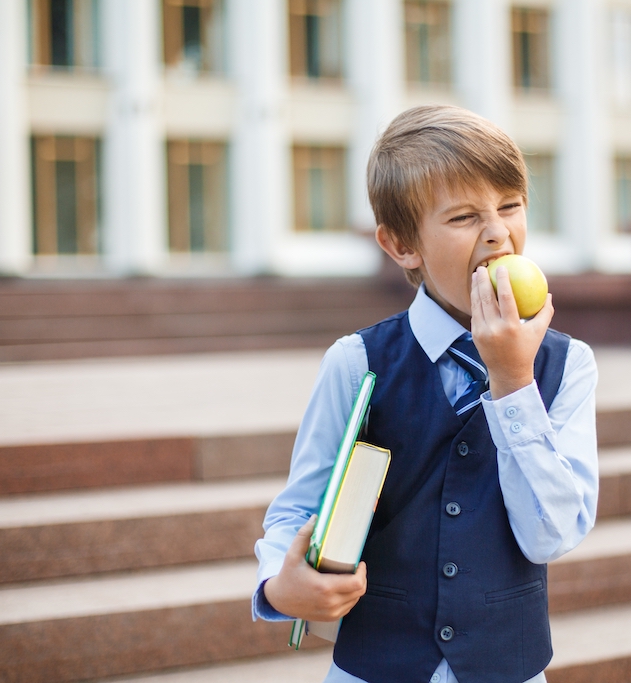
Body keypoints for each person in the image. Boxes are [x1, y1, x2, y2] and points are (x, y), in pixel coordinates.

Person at [252, 104, 598, 683]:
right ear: (402, 246)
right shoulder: (357, 362)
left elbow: (552, 535)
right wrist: (279, 585)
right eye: (464, 217)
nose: (496, 231)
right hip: (375, 668)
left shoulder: (568, 365)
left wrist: (514, 383)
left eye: (510, 206)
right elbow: (299, 506)